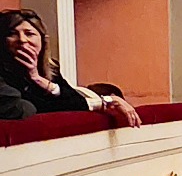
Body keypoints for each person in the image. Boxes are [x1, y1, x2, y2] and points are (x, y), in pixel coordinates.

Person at [0, 8, 142, 125]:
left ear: (43, 40)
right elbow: (38, 107)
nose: (22, 40)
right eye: (12, 34)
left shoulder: (52, 68)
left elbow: (72, 98)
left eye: (29, 34)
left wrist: (38, 79)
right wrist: (102, 103)